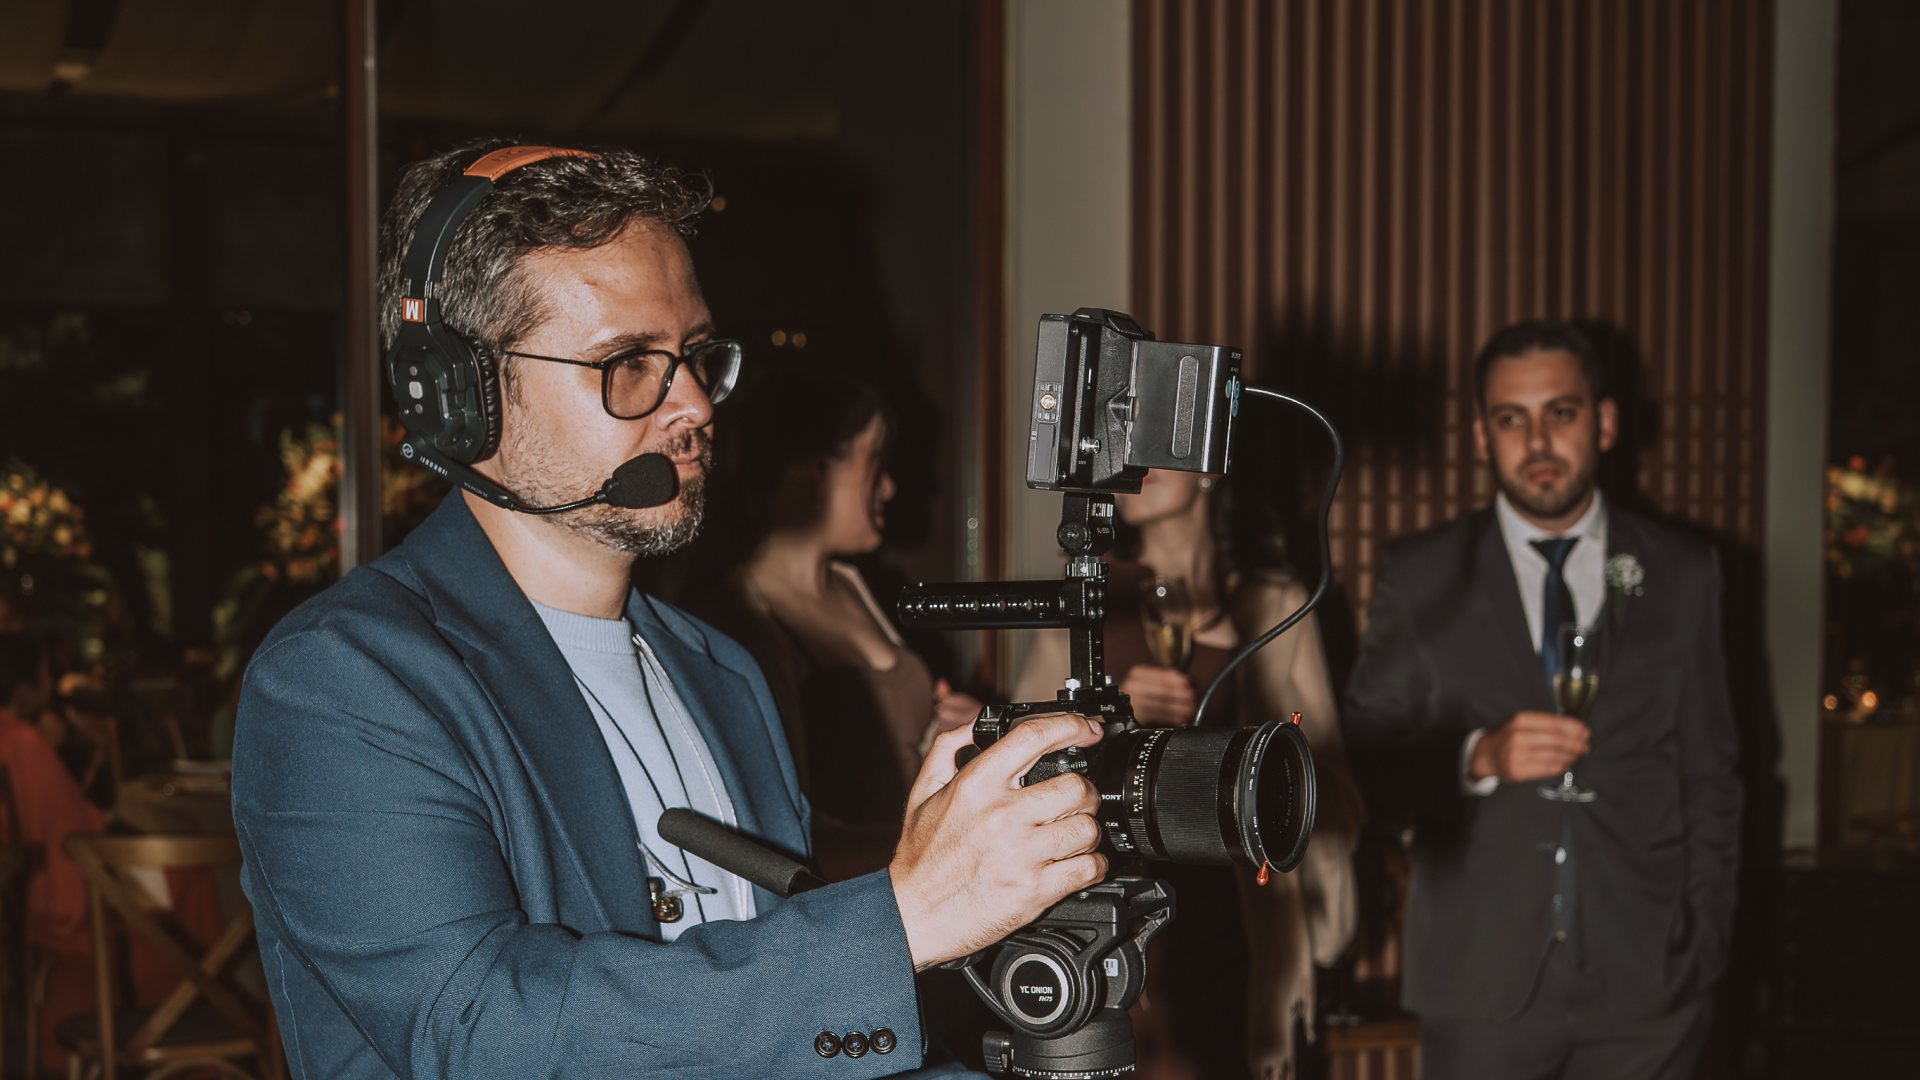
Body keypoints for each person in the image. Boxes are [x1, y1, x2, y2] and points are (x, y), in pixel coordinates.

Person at [230, 141, 1108, 1080]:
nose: (692, 403)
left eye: (694, 356)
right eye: (628, 363)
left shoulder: (722, 671)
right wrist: (902, 919)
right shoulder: (342, 682)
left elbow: (782, 1038)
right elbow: (483, 1035)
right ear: (461, 397)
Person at [1342, 320, 1741, 1079]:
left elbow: (1712, 777)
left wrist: (1703, 943)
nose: (1537, 441)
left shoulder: (1685, 572)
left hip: (1650, 985)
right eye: (1510, 418)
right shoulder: (1421, 573)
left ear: (1606, 423)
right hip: (1479, 976)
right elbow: (1364, 750)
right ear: (1481, 437)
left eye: (1560, 412)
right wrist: (1476, 757)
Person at [1012, 465, 1364, 1080]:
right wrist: (1109, 724)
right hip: (1110, 917)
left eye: (1156, 449)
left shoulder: (1274, 604)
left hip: (1234, 922)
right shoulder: (1087, 597)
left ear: (1208, 465)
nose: (1136, 467)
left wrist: (1255, 762)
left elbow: (1330, 787)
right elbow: (1024, 772)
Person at [692, 366, 980, 880]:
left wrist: (950, 736)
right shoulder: (740, 618)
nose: (889, 486)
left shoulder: (851, 584)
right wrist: (945, 842)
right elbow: (781, 833)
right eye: (875, 461)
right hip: (863, 892)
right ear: (812, 472)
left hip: (927, 873)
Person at [0, 632, 107, 1074]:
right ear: (25, 689)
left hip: (19, 894)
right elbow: (72, 834)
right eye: (44, 676)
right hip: (49, 896)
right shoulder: (22, 742)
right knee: (190, 883)